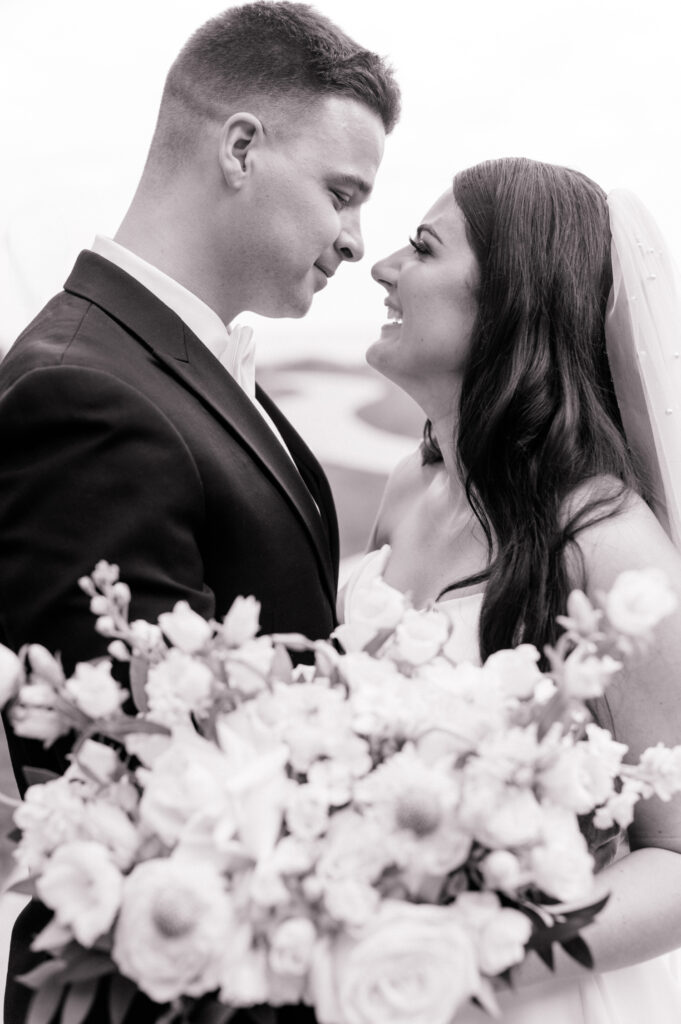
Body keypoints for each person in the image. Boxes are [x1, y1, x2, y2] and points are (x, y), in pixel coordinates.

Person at [0, 4, 399, 1021]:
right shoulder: (82, 394)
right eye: (343, 194)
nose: (358, 241)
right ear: (238, 148)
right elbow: (133, 768)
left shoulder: (173, 367)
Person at [343, 157, 681, 1022]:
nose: (382, 267)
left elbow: (675, 860)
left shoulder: (605, 546)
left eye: (421, 249)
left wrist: (465, 960)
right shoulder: (405, 492)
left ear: (511, 302)